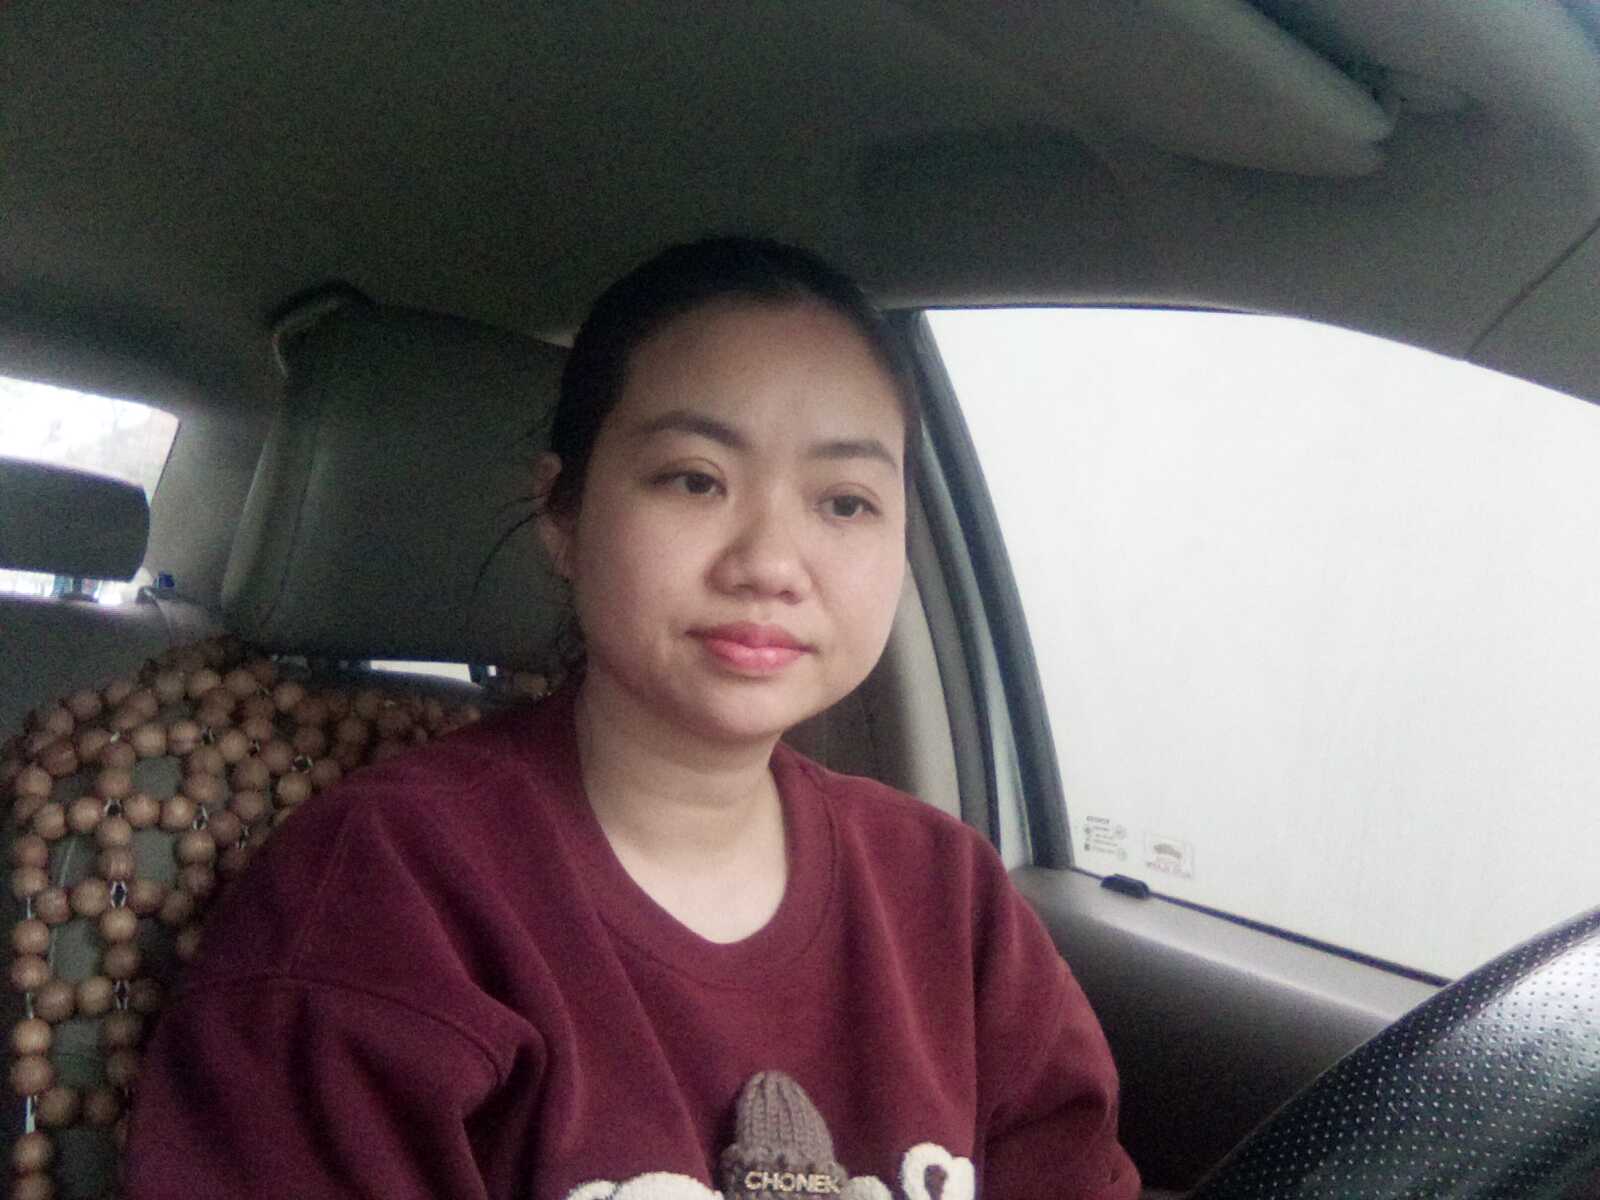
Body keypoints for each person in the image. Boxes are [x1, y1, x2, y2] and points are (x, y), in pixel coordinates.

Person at [125, 238, 1139, 1199]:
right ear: (562, 514)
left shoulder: (949, 895)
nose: (769, 564)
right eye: (695, 480)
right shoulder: (386, 897)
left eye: (845, 502)